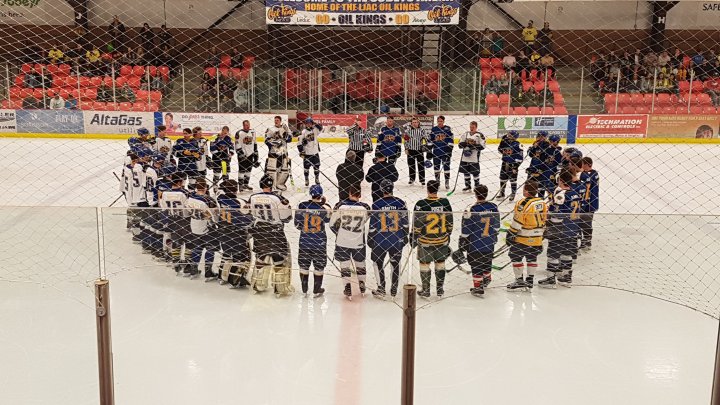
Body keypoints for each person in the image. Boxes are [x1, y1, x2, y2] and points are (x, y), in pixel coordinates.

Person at [249, 175, 294, 295]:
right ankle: (280, 287)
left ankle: (258, 284)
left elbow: (250, 214)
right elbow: (287, 217)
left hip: (259, 231)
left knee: (261, 257)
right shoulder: (277, 198)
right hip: (275, 230)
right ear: (271, 184)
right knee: (279, 257)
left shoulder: (253, 197)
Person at [539, 171, 581, 287]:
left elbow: (557, 215)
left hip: (560, 228)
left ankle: (551, 279)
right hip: (573, 228)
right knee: (567, 253)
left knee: (554, 254)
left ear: (561, 180)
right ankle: (566, 278)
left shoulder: (560, 194)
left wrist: (548, 223)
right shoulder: (575, 193)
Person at [457, 185, 500, 297]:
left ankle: (478, 287)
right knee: (487, 260)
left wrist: (462, 239)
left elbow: (466, 229)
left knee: (476, 263)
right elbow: (496, 227)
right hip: (489, 241)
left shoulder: (471, 208)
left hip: (475, 243)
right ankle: (487, 278)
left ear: (475, 194)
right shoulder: (494, 207)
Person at [412, 180, 453, 298]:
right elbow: (450, 220)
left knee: (424, 264)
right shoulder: (445, 202)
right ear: (437, 189)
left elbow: (417, 223)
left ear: (427, 189)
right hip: (441, 240)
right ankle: (440, 289)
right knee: (440, 263)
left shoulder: (421, 203)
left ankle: (426, 290)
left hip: (425, 241)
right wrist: (448, 233)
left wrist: (414, 236)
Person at [369, 180, 409, 299]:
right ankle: (394, 289)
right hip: (396, 239)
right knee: (395, 264)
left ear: (381, 189)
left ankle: (381, 288)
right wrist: (405, 235)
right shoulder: (401, 203)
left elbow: (372, 225)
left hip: (380, 240)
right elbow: (406, 223)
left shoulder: (376, 204)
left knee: (377, 263)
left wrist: (370, 238)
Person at [331, 186, 371, 299]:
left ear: (349, 193)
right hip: (358, 242)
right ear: (360, 195)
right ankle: (362, 285)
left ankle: (347, 287)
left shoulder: (341, 206)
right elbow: (366, 220)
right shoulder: (365, 208)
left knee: (345, 265)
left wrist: (339, 234)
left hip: (342, 242)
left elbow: (332, 224)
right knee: (360, 264)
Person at [506, 181, 547, 291]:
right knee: (532, 257)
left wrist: (511, 233)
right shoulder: (542, 202)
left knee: (515, 256)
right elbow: (545, 218)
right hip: (537, 237)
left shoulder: (522, 203)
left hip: (523, 237)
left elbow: (518, 221)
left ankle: (519, 280)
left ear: (527, 191)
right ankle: (529, 281)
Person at [294, 185, 331, 297]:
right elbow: (328, 220)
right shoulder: (324, 208)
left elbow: (296, 224)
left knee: (304, 265)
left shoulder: (302, 205)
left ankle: (304, 289)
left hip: (305, 241)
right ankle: (317, 289)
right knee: (319, 266)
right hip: (319, 242)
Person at [216, 180, 253, 288]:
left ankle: (222, 276)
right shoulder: (240, 202)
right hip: (236, 232)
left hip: (223, 230)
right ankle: (234, 280)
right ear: (236, 189)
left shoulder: (221, 198)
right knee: (240, 256)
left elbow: (219, 193)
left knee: (226, 253)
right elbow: (246, 221)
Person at [185, 180, 219, 280]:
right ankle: (208, 271)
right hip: (206, 227)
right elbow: (215, 215)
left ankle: (193, 268)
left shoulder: (190, 197)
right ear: (205, 188)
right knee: (210, 247)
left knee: (196, 247)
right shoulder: (209, 200)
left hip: (194, 225)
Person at [264, 116, 293, 191]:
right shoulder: (270, 128)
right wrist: (274, 144)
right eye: (275, 120)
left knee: (283, 169)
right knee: (272, 169)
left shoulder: (285, 128)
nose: (276, 121)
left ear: (280, 121)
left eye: (277, 120)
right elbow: (266, 140)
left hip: (283, 152)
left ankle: (279, 184)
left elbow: (290, 139)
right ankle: (271, 184)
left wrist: (287, 135)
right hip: (273, 152)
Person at [458, 121, 486, 192]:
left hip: (474, 158)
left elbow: (483, 146)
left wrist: (473, 146)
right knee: (465, 172)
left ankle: (477, 186)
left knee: (475, 173)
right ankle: (467, 186)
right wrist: (463, 144)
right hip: (465, 158)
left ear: (476, 127)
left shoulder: (479, 135)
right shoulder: (466, 134)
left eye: (473, 127)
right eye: (470, 127)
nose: (471, 128)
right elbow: (459, 145)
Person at [579, 157, 599, 251]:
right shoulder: (595, 173)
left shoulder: (588, 175)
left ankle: (587, 240)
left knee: (586, 222)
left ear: (587, 165)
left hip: (589, 202)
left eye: (582, 164)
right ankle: (586, 240)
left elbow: (587, 183)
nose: (581, 166)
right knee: (585, 222)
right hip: (592, 201)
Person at [402, 117, 430, 185]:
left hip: (419, 150)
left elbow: (426, 139)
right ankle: (412, 179)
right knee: (411, 165)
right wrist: (406, 148)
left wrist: (426, 147)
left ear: (418, 123)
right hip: (411, 150)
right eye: (413, 122)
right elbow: (406, 140)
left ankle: (422, 179)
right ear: (411, 123)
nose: (415, 124)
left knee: (421, 165)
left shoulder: (422, 130)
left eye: (416, 122)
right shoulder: (408, 131)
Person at [497, 130, 524, 201]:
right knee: (502, 179)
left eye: (510, 135)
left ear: (514, 137)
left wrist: (516, 166)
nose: (508, 136)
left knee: (513, 180)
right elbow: (499, 150)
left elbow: (520, 158)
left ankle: (513, 193)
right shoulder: (505, 142)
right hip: (504, 163)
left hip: (513, 165)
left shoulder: (518, 144)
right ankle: (502, 193)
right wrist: (502, 142)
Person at [429, 116, 454, 190]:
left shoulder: (448, 129)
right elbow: (431, 139)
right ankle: (437, 181)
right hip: (436, 152)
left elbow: (451, 139)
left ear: (443, 121)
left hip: (445, 152)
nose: (440, 122)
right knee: (436, 168)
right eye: (438, 121)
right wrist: (429, 150)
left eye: (441, 121)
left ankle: (447, 182)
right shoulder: (434, 129)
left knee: (446, 167)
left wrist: (450, 150)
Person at [233, 120, 259, 191]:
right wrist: (241, 154)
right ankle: (241, 186)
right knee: (241, 170)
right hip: (243, 155)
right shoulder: (239, 133)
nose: (247, 126)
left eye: (248, 125)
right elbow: (237, 144)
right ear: (243, 125)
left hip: (251, 154)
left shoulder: (253, 132)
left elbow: (255, 143)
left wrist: (256, 154)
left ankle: (246, 184)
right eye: (246, 125)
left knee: (248, 170)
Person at [298, 118, 322, 186]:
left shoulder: (315, 129)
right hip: (307, 153)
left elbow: (320, 127)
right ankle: (306, 179)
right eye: (307, 123)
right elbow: (299, 143)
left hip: (315, 153)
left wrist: (315, 123)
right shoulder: (303, 132)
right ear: (305, 124)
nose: (309, 124)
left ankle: (317, 178)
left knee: (317, 167)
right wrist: (301, 150)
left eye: (310, 123)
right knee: (306, 168)